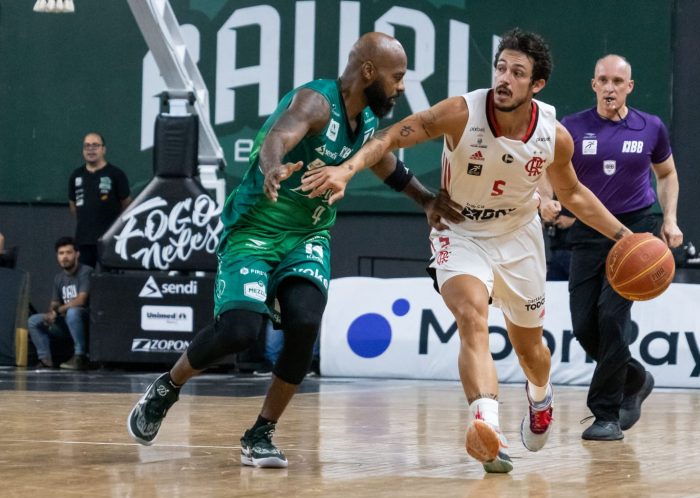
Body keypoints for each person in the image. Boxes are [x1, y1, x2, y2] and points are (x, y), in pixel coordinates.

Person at [300, 29, 633, 472]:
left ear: (537, 85)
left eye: (518, 73)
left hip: (518, 235)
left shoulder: (554, 136)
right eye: (501, 68)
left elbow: (573, 194)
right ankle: (487, 426)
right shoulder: (461, 112)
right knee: (471, 317)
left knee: (531, 350)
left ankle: (540, 396)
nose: (505, 79)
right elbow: (390, 137)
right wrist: (346, 169)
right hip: (459, 230)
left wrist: (625, 236)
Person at [127, 32, 463, 468]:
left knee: (304, 323)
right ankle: (168, 387)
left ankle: (261, 433)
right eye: (397, 76)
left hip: (308, 236)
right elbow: (279, 136)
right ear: (368, 72)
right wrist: (273, 169)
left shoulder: (365, 123)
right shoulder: (317, 102)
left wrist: (426, 200)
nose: (401, 86)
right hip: (255, 228)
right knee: (239, 332)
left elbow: (386, 164)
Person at [551, 54, 683, 441]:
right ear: (593, 85)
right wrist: (545, 199)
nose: (610, 87)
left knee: (611, 317)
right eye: (603, 80)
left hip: (635, 232)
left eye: (617, 81)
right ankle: (636, 378)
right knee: (583, 326)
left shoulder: (650, 127)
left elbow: (667, 174)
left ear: (630, 87)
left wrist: (670, 219)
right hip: (588, 230)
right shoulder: (571, 127)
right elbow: (549, 171)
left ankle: (605, 414)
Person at [27, 236, 92, 370]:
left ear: (77, 254)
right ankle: (46, 359)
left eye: (68, 253)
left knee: (73, 312)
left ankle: (80, 356)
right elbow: (55, 302)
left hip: (86, 322)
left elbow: (81, 300)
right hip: (66, 322)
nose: (64, 257)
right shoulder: (59, 278)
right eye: (61, 253)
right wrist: (50, 313)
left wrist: (57, 311)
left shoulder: (86, 272)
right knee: (34, 321)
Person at [68, 132, 132, 268]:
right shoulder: (76, 175)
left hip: (109, 238)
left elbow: (127, 204)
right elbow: (73, 204)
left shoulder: (116, 174)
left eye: (95, 145)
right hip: (84, 240)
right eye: (87, 146)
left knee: (109, 276)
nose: (90, 149)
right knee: (83, 277)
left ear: (104, 149)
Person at [541, 201, 575, 281]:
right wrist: (547, 219)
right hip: (554, 251)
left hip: (576, 250)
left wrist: (572, 221)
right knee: (552, 286)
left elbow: (593, 216)